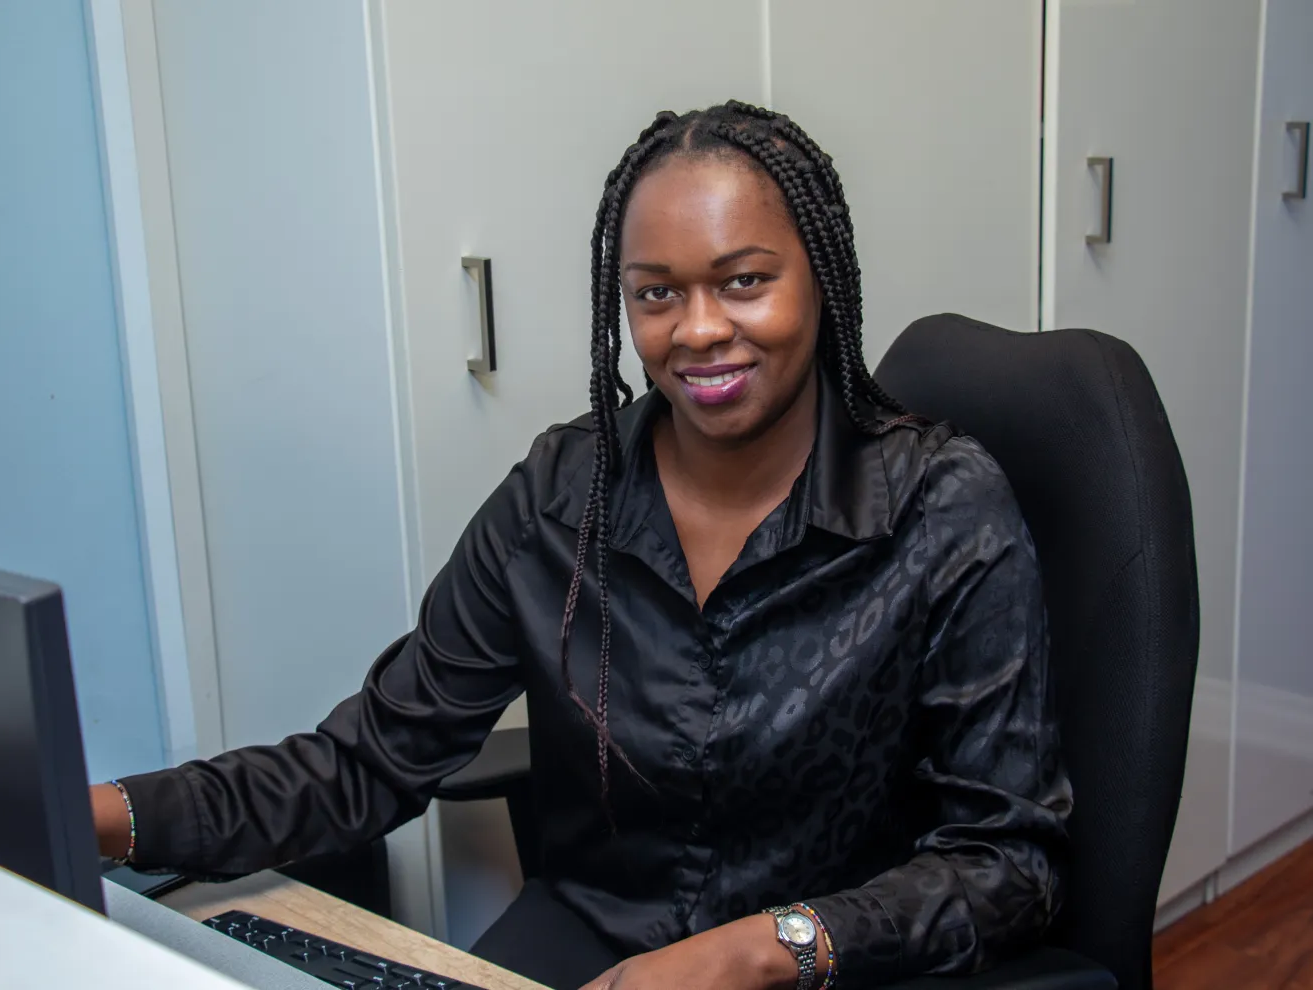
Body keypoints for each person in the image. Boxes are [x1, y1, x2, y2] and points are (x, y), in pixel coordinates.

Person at [92, 101, 1071, 990]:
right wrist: (92, 815)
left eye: (744, 282)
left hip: (833, 964)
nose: (698, 330)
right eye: (656, 294)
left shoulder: (941, 509)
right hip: (594, 943)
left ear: (820, 275)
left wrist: (759, 951)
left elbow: (1009, 866)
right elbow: (367, 762)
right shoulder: (561, 497)